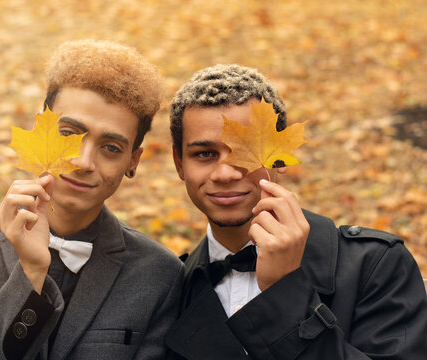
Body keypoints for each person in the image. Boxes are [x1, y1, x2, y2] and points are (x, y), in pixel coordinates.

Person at [0, 40, 184, 360]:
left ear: (133, 161)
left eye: (111, 148)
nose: (84, 161)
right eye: (69, 133)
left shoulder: (158, 274)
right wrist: (31, 274)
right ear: (40, 129)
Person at [165, 64, 427, 359]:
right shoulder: (168, 288)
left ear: (280, 157)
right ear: (179, 164)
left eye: (247, 151)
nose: (225, 173)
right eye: (204, 154)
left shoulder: (377, 266)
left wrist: (284, 291)